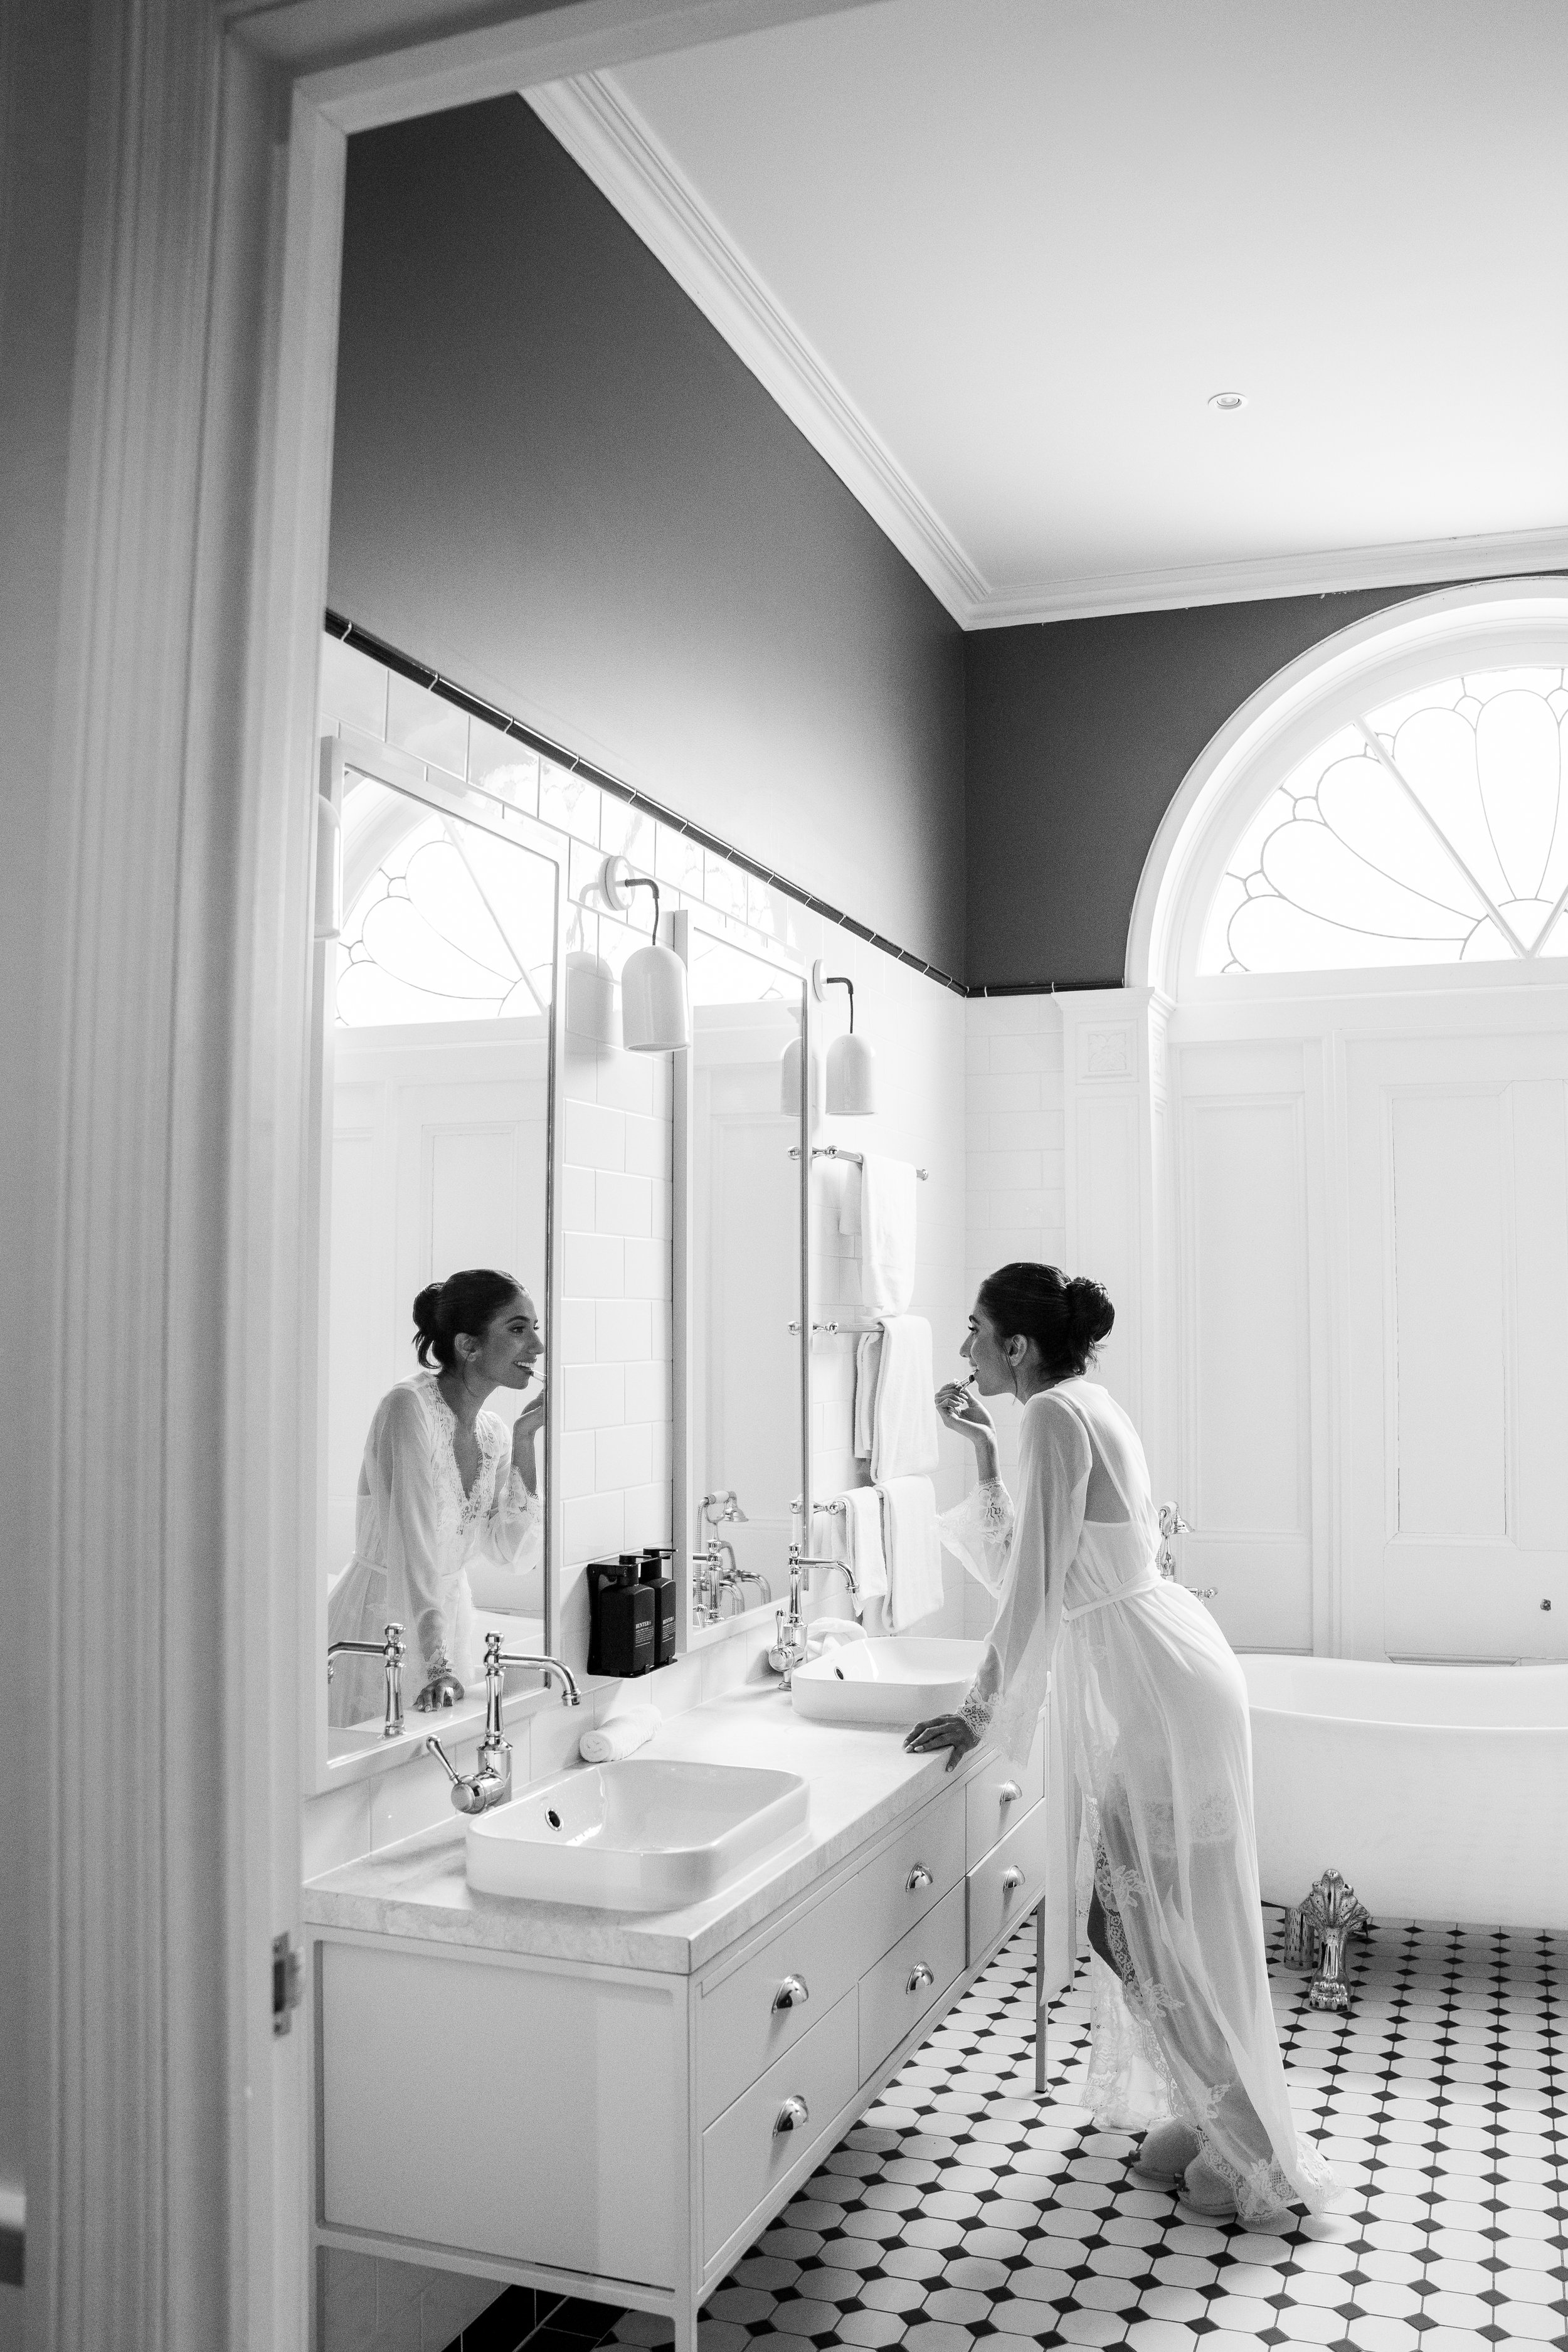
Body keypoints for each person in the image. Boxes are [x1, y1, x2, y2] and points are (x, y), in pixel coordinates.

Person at [904, 1262, 1333, 2225]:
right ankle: (1209, 2113)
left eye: (976, 1331)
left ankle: (1249, 2149)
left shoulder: (1055, 1419)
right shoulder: (1082, 1404)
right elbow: (1046, 1562)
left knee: (1140, 1922)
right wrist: (980, 1452)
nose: (965, 1349)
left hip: (1155, 1685)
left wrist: (979, 1710)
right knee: (1156, 1921)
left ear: (1016, 1346)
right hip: (1167, 1669)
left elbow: (1029, 1591)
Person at [327, 1269, 544, 1723]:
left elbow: (510, 1554)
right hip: (382, 1621)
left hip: (449, 1622)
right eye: (518, 1329)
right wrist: (435, 1663)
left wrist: (526, 1440)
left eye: (534, 1330)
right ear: (468, 1345)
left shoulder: (495, 1434)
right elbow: (413, 1546)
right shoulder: (408, 1407)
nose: (537, 1348)